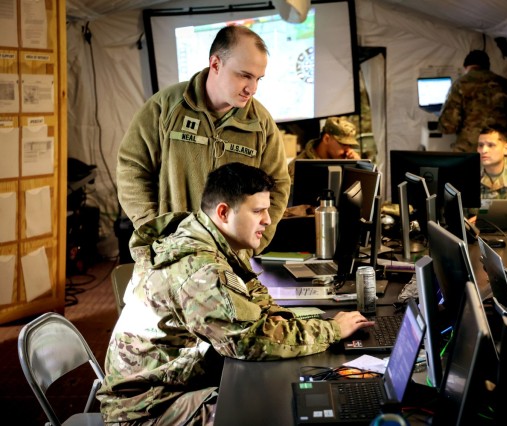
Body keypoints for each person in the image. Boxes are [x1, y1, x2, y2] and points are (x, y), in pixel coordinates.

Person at [98, 163, 374, 424]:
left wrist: (278, 321)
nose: (267, 220)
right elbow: (250, 342)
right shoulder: (200, 269)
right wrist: (332, 330)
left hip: (175, 382)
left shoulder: (209, 238)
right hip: (146, 407)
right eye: (257, 211)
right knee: (268, 412)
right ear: (223, 212)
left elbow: (256, 296)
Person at [117, 25, 289, 254]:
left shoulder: (261, 124)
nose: (252, 88)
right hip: (172, 255)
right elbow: (132, 169)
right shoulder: (166, 107)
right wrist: (156, 233)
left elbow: (278, 185)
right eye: (245, 75)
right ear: (216, 64)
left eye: (258, 78)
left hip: (231, 262)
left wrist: (251, 245)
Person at [438, 50, 507, 153]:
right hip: (498, 147)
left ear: (466, 67)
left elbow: (448, 125)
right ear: (487, 66)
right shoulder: (504, 84)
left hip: (470, 148)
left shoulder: (461, 84)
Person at [287, 116, 361, 182]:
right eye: (343, 144)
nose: (348, 150)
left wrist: (357, 167)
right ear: (326, 139)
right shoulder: (298, 168)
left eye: (350, 145)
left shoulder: (345, 160)